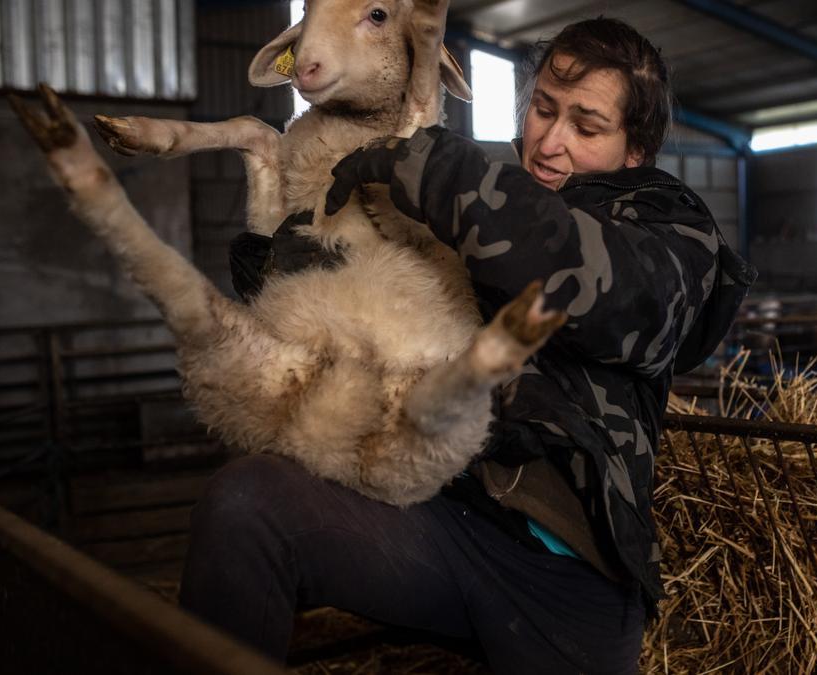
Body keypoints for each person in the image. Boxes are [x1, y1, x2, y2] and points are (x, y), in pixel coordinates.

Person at [180, 17, 755, 675]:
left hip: (568, 585)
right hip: (448, 527)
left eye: (586, 127)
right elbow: (371, 321)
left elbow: (584, 279)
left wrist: (442, 170)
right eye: (543, 109)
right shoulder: (479, 204)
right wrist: (289, 257)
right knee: (249, 505)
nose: (550, 142)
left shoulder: (668, 230)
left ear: (634, 151)